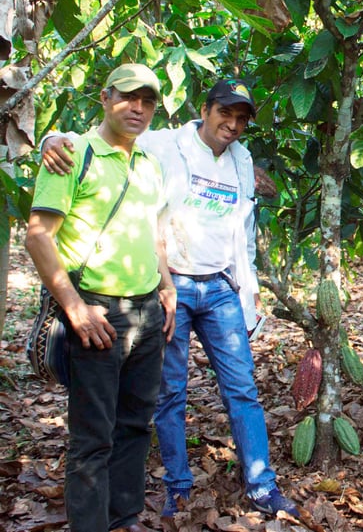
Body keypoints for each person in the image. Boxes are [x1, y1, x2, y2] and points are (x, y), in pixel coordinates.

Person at [41, 78, 299, 517]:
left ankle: (261, 484)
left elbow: (243, 230)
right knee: (170, 392)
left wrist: (248, 290)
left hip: (220, 286)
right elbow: (111, 134)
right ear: (206, 109)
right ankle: (178, 486)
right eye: (225, 113)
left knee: (242, 389)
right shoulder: (166, 143)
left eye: (241, 119)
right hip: (172, 284)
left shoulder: (241, 159)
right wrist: (52, 138)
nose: (232, 125)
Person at [26, 63, 176, 532]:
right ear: (105, 98)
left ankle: (124, 517)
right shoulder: (73, 154)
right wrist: (74, 306)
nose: (139, 108)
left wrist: (166, 285)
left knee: (134, 424)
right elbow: (38, 237)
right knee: (93, 436)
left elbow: (154, 234)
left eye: (148, 101)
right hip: (96, 310)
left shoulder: (149, 165)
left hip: (146, 311)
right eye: (129, 97)